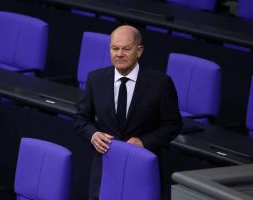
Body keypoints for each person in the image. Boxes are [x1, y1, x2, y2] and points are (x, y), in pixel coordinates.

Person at [74, 25, 183, 200]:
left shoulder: (160, 83)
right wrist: (93, 135)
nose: (119, 54)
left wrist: (144, 142)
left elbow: (173, 124)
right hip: (105, 168)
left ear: (139, 51)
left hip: (142, 170)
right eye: (114, 48)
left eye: (126, 49)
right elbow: (81, 118)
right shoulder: (96, 79)